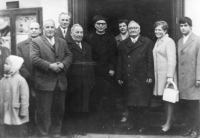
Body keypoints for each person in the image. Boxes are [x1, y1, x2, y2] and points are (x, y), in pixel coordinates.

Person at [30, 19, 72, 138]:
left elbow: (69, 55)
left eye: (52, 27)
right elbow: (34, 59)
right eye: (47, 27)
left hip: (60, 82)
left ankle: (56, 133)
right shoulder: (36, 42)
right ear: (43, 29)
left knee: (59, 110)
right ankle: (43, 134)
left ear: (55, 28)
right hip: (44, 83)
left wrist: (63, 65)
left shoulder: (62, 42)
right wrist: (50, 66)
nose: (50, 29)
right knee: (43, 111)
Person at [116, 20, 154, 132]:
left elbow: (150, 60)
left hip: (142, 77)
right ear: (128, 30)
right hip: (129, 77)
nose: (133, 30)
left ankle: (143, 125)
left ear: (139, 30)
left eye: (135, 28)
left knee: (143, 103)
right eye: (131, 28)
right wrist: (118, 76)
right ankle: (132, 124)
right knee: (130, 103)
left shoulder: (147, 42)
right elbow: (120, 61)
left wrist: (150, 75)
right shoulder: (123, 43)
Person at [85, 15, 118, 112]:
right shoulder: (89, 38)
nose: (100, 26)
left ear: (106, 25)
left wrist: (111, 68)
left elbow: (114, 55)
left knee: (107, 92)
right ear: (95, 25)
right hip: (93, 69)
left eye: (103, 24)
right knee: (95, 92)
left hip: (107, 70)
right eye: (98, 24)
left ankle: (108, 115)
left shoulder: (111, 38)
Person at [177, 17, 200, 138]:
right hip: (182, 80)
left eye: (185, 25)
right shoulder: (180, 41)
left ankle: (196, 130)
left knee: (194, 106)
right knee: (185, 106)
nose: (183, 28)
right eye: (181, 26)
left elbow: (199, 61)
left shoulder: (197, 40)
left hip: (193, 79)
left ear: (191, 26)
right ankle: (188, 128)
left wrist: (198, 78)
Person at [17, 21, 41, 135]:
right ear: (28, 30)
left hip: (44, 80)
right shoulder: (21, 45)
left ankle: (42, 130)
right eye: (32, 28)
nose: (34, 31)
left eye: (36, 28)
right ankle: (32, 128)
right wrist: (30, 78)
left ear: (40, 30)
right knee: (30, 105)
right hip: (28, 80)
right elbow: (20, 64)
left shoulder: (46, 43)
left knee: (43, 106)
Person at [153, 21, 177, 132]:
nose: (157, 32)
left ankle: (168, 123)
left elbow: (172, 60)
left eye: (160, 30)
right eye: (156, 30)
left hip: (167, 76)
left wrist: (170, 77)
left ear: (165, 30)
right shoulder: (158, 41)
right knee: (165, 99)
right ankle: (168, 121)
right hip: (159, 76)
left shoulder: (169, 41)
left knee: (169, 99)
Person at [0, 55, 29, 138]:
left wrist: (23, 112)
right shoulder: (2, 80)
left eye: (6, 63)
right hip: (5, 112)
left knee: (18, 132)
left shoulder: (21, 80)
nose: (4, 65)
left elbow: (24, 98)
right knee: (6, 131)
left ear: (13, 66)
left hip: (16, 112)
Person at [115, 19, 129, 123]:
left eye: (124, 26)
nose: (122, 28)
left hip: (132, 69)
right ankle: (124, 114)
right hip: (121, 68)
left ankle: (130, 114)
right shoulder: (116, 39)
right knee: (122, 93)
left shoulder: (132, 36)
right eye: (120, 26)